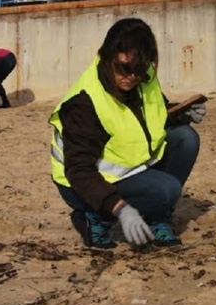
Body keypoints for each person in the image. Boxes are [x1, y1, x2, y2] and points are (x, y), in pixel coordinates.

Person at [49, 18, 206, 250]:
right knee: (167, 190)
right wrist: (121, 209)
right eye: (124, 68)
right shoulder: (84, 102)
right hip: (81, 184)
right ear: (107, 56)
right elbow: (79, 170)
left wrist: (184, 113)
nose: (132, 77)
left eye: (139, 70)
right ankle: (94, 216)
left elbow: (148, 117)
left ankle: (155, 218)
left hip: (128, 169)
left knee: (185, 138)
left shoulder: (142, 77)